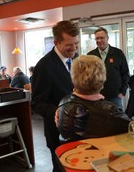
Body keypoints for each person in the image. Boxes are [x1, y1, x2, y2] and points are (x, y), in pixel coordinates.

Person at [31, 20, 79, 172]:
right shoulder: (44, 66)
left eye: (76, 43)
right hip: (57, 132)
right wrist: (59, 112)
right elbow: (37, 104)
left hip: (77, 130)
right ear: (56, 42)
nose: (74, 48)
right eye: (69, 45)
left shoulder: (75, 59)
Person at [56, 55, 130, 142]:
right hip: (101, 154)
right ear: (102, 78)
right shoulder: (110, 111)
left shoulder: (63, 103)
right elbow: (133, 129)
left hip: (73, 154)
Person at [87, 27, 130, 110]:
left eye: (102, 38)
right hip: (96, 97)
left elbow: (125, 73)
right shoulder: (90, 56)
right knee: (99, 121)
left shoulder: (118, 53)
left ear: (107, 38)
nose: (99, 40)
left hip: (115, 97)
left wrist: (123, 91)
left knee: (117, 120)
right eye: (97, 38)